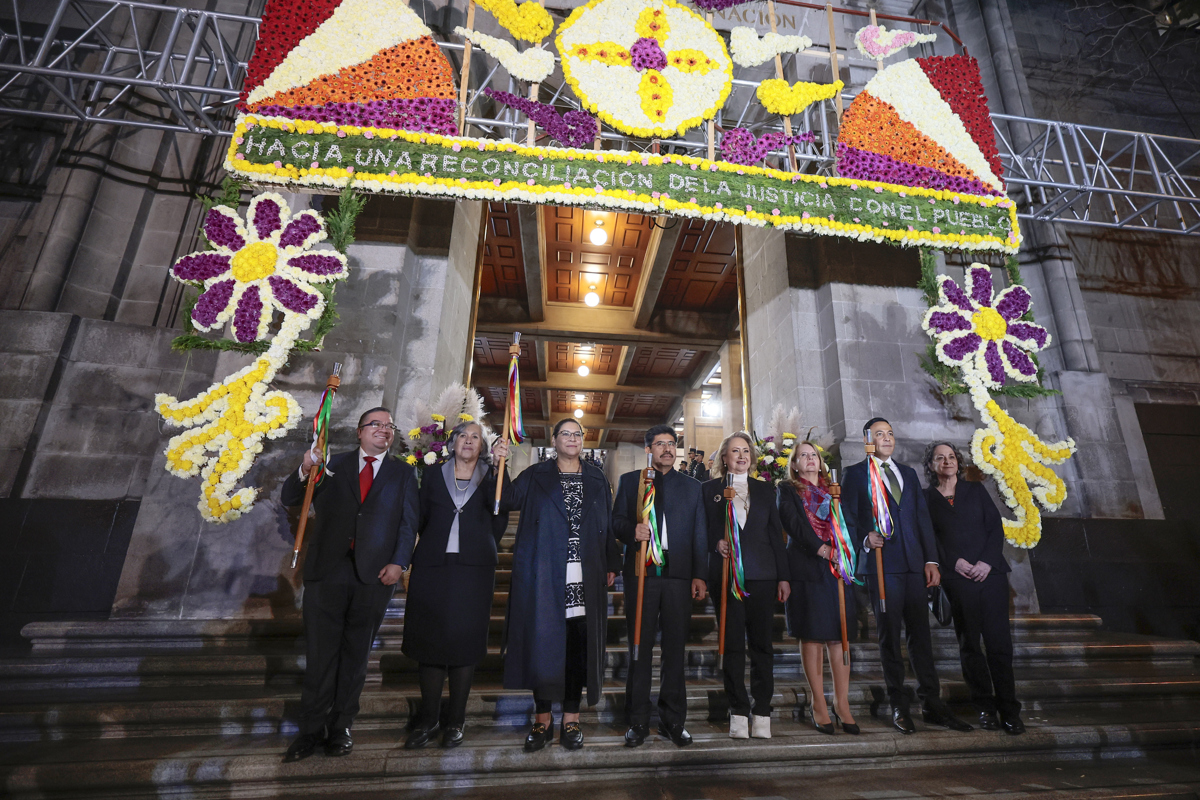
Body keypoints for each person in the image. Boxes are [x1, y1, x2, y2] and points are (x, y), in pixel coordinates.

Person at [280, 407, 418, 762]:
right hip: (327, 572)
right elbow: (291, 498)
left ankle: (341, 727)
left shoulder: (403, 473)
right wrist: (304, 469)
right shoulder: (331, 464)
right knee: (321, 655)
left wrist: (399, 562)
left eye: (390, 426)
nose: (384, 431)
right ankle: (310, 730)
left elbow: (407, 522)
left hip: (374, 577)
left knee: (355, 656)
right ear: (359, 432)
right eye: (376, 425)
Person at [493, 419, 619, 752]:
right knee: (544, 648)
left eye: (578, 433)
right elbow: (506, 499)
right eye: (566, 433)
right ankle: (542, 720)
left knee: (578, 648)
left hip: (586, 575)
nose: (572, 438)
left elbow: (606, 521)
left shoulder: (596, 478)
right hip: (545, 572)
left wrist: (612, 563)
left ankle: (572, 720)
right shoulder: (536, 475)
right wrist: (499, 464)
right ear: (554, 440)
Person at [841, 417, 972, 735]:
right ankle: (899, 705)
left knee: (921, 639)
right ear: (867, 441)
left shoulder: (909, 474)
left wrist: (931, 560)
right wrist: (864, 537)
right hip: (883, 566)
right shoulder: (856, 474)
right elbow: (848, 517)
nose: (886, 438)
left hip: (914, 565)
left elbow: (921, 519)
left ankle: (932, 704)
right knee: (890, 639)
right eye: (879, 434)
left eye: (889, 433)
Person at [402, 421, 509, 749]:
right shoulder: (433, 475)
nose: (468, 440)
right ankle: (429, 718)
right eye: (463, 435)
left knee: (465, 646)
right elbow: (417, 518)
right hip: (432, 567)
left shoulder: (494, 478)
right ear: (451, 443)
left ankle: (456, 720)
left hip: (473, 570)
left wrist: (502, 467)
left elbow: (501, 517)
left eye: (475, 437)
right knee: (429, 644)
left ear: (483, 447)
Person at [613, 424, 708, 748]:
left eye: (671, 444)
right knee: (639, 650)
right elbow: (616, 522)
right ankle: (638, 721)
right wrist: (632, 531)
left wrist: (699, 574)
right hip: (642, 574)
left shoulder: (692, 487)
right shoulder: (631, 482)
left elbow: (699, 533)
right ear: (648, 449)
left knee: (674, 651)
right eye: (660, 444)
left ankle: (672, 721)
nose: (667, 449)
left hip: (678, 575)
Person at [924, 442, 1025, 735]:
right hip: (957, 579)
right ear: (930, 465)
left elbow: (995, 528)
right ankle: (985, 707)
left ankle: (1009, 710)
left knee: (999, 645)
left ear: (959, 462)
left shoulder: (976, 490)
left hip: (989, 575)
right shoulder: (926, 499)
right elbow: (930, 539)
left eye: (951, 457)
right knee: (970, 646)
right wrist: (953, 563)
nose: (947, 461)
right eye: (939, 458)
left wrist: (986, 563)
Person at [702, 432, 789, 739]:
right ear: (723, 457)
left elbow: (776, 534)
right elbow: (702, 532)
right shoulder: (709, 490)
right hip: (725, 577)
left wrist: (783, 577)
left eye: (745, 452)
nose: (741, 456)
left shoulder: (766, 490)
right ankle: (738, 710)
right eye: (734, 451)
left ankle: (762, 711)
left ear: (752, 458)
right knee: (732, 644)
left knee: (762, 645)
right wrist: (716, 544)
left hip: (763, 576)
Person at [779, 441, 859, 735]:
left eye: (814, 455)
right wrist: (822, 550)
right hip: (806, 568)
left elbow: (850, 522)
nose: (810, 459)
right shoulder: (787, 490)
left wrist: (846, 552)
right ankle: (818, 705)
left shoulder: (834, 489)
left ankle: (842, 704)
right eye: (803, 456)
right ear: (795, 464)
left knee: (839, 637)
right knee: (812, 636)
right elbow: (793, 525)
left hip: (837, 570)